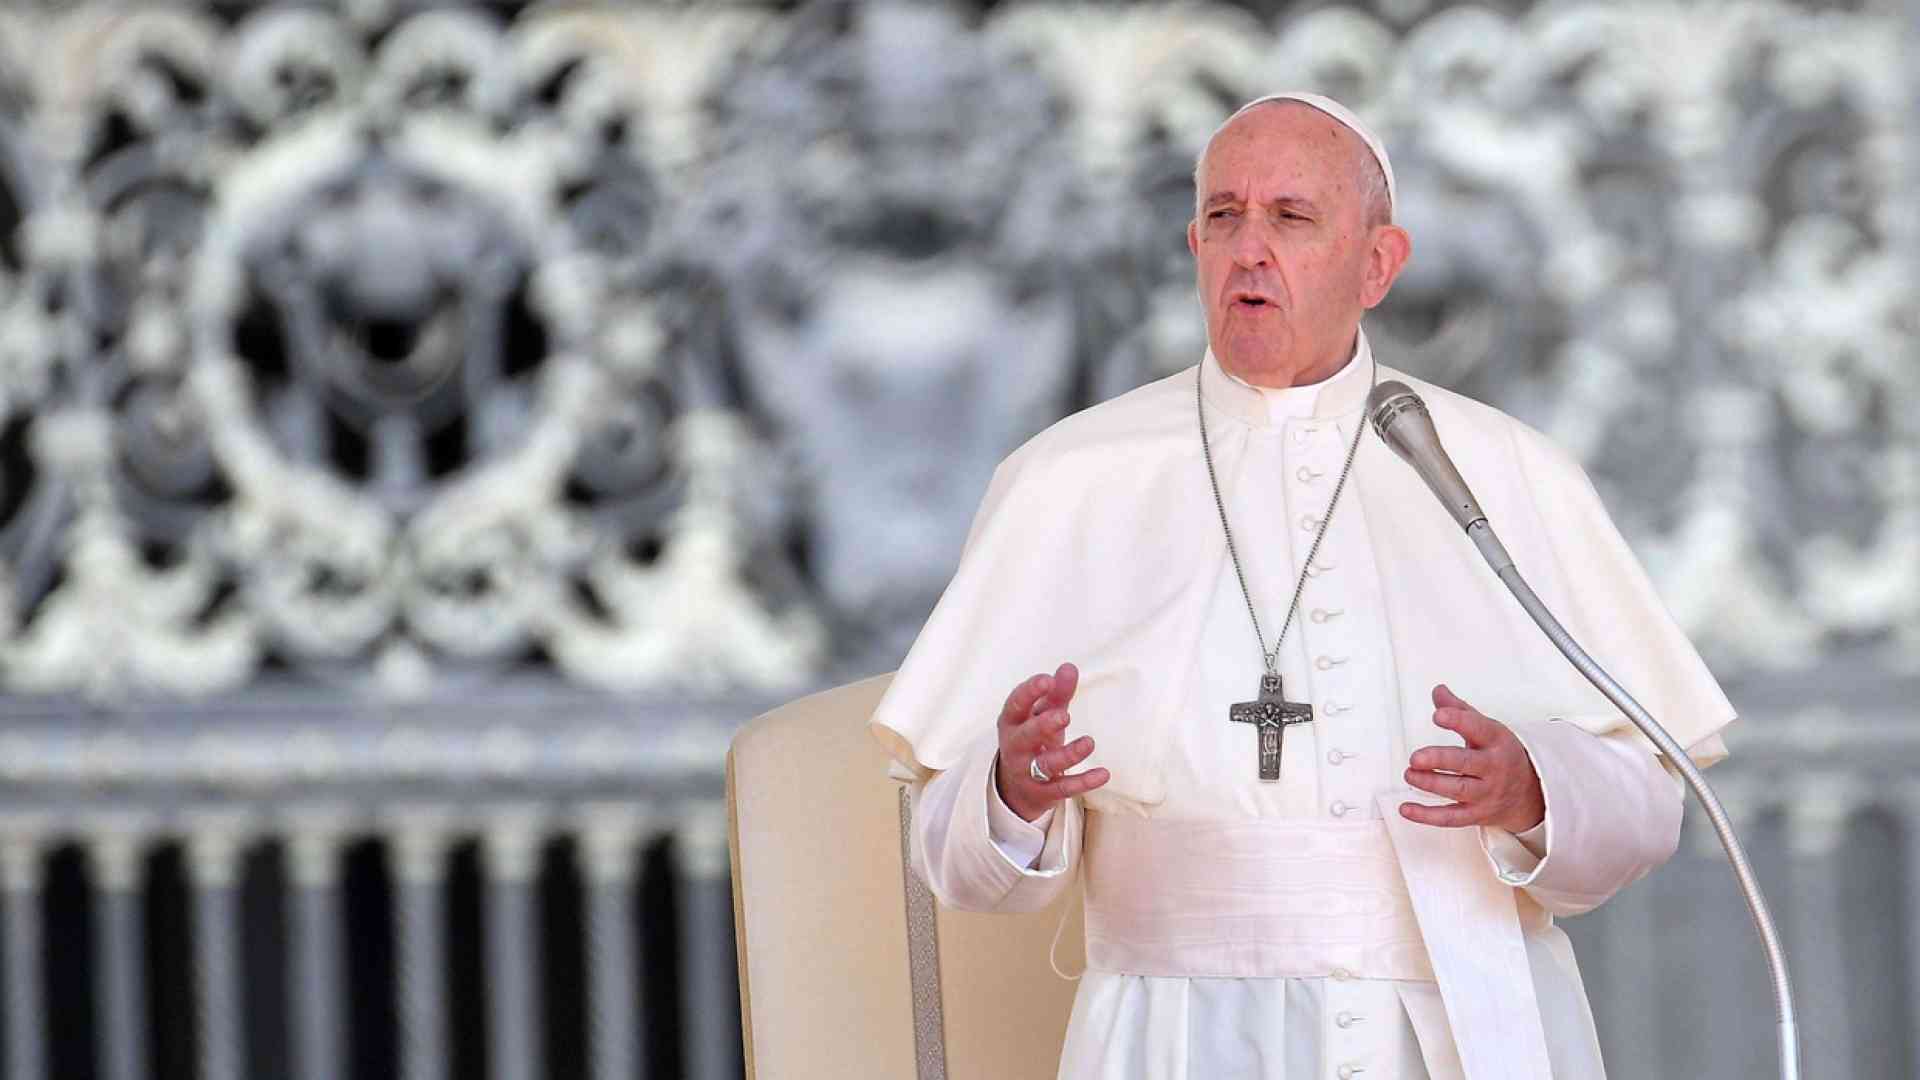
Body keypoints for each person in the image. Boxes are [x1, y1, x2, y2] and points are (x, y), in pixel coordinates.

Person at [870, 92, 1734, 1080]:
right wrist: (1008, 790)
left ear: (1378, 264)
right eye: (1224, 217)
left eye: (1291, 217)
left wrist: (1534, 788)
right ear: (1194, 245)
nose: (1249, 249)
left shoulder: (1504, 472)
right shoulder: (1067, 479)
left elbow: (1648, 799)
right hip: (1168, 1036)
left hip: (1453, 1026)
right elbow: (950, 858)